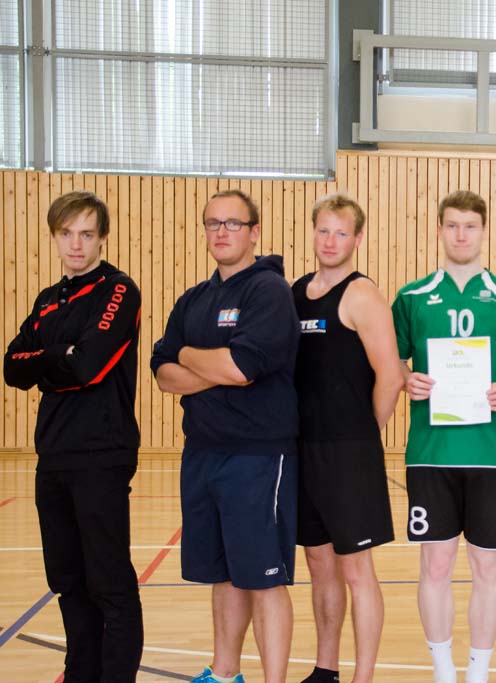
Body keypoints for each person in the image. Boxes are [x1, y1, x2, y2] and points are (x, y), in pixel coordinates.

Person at [151, 189, 300, 683]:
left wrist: (187, 354)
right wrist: (210, 364)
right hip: (202, 453)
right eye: (213, 223)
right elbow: (162, 374)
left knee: (264, 577)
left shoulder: (268, 292)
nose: (221, 232)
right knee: (224, 572)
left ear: (254, 232)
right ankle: (224, 672)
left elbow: (241, 368)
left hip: (257, 457)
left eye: (233, 223)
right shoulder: (194, 299)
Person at [392, 190, 496, 683]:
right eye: (452, 225)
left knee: (488, 568)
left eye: (470, 226)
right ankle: (442, 671)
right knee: (435, 566)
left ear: (484, 231)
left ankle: (478, 672)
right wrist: (405, 377)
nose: (461, 234)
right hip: (431, 453)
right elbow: (392, 359)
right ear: (439, 229)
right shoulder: (412, 297)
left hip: (492, 453)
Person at [4, 190, 144, 682]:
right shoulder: (48, 300)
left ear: (102, 237)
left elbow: (87, 366)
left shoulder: (119, 291)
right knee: (67, 580)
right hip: (54, 455)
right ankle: (80, 671)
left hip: (102, 454)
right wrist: (56, 356)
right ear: (55, 237)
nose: (76, 244)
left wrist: (51, 362)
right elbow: (11, 366)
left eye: (86, 233)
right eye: (67, 234)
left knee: (109, 582)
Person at [293, 193, 404, 683]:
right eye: (323, 230)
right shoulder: (296, 292)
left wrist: (362, 434)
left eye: (341, 233)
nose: (330, 240)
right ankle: (326, 669)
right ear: (313, 233)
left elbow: (391, 376)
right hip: (302, 449)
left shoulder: (362, 295)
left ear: (357, 239)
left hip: (348, 453)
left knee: (357, 569)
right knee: (319, 565)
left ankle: (363, 677)